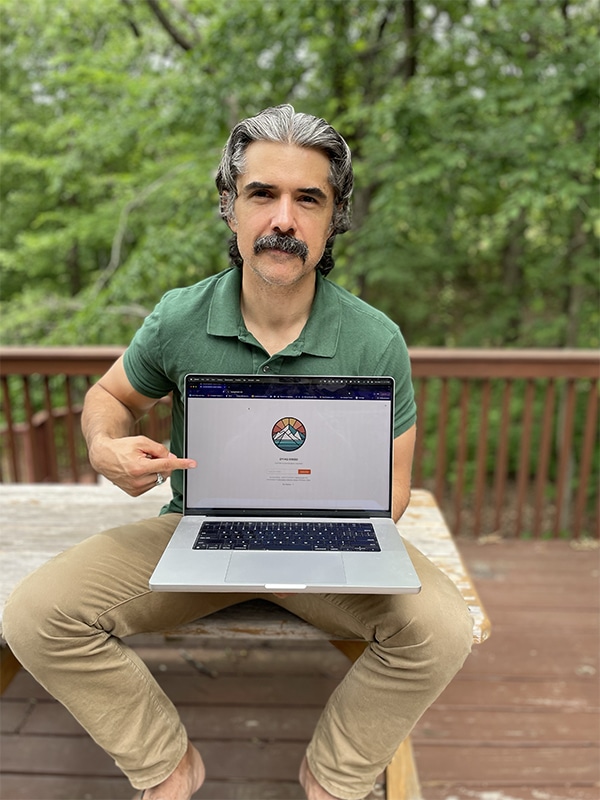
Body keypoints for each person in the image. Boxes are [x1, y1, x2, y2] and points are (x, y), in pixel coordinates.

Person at [3, 105, 473, 800]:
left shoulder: (376, 340)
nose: (284, 219)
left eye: (308, 199)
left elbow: (394, 492)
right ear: (230, 205)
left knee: (442, 630)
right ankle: (167, 764)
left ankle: (333, 775)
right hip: (195, 528)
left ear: (334, 217)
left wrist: (305, 532)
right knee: (36, 615)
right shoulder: (181, 318)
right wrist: (104, 445)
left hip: (326, 542)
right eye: (262, 194)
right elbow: (109, 396)